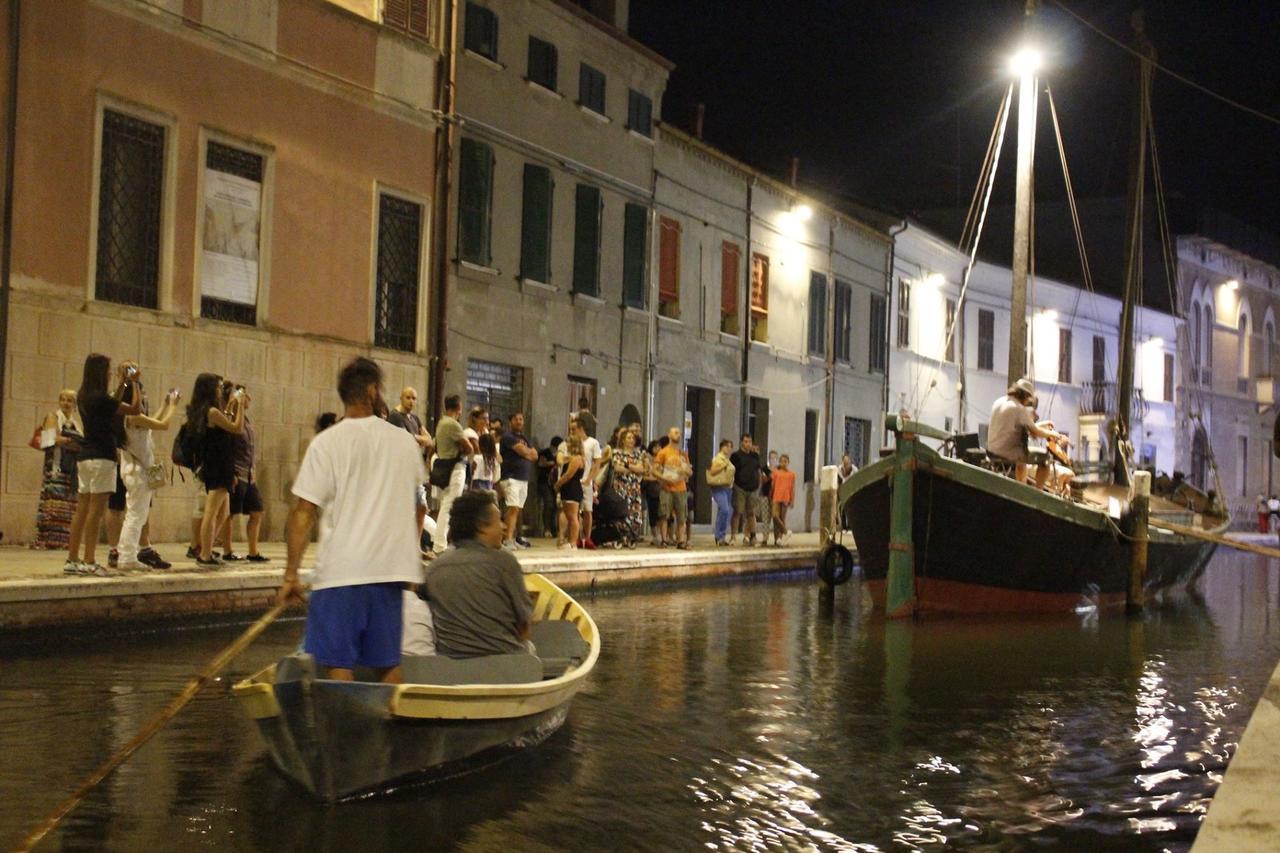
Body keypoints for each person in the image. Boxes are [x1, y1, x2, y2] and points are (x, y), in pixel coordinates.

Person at [277, 357, 427, 683]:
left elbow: (304, 512)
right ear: (372, 390)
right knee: (388, 665)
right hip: (389, 574)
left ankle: (343, 730)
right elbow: (415, 505)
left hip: (341, 572)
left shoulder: (326, 443)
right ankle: (391, 728)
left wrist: (291, 573)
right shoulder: (404, 443)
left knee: (337, 664)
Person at [420, 490, 534, 658]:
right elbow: (524, 625)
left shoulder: (434, 569)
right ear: (482, 527)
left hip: (451, 668)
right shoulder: (504, 562)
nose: (504, 527)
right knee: (529, 647)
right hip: (506, 665)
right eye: (498, 521)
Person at [65, 355, 141, 576]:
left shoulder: (84, 396)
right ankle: (89, 560)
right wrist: (134, 383)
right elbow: (134, 408)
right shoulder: (102, 398)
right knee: (96, 511)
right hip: (103, 457)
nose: (109, 374)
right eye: (108, 370)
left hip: (86, 456)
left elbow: (113, 402)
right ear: (101, 372)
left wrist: (124, 383)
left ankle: (72, 558)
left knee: (82, 508)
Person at [117, 365, 179, 570]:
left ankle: (128, 554)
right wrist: (172, 406)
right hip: (137, 471)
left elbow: (154, 421)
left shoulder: (133, 417)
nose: (142, 401)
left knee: (138, 514)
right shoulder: (132, 417)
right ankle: (126, 556)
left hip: (137, 469)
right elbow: (164, 425)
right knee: (135, 515)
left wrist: (164, 405)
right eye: (140, 397)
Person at [189, 374, 245, 567]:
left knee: (223, 512)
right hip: (219, 465)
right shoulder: (211, 411)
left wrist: (230, 405)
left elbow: (225, 423)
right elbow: (236, 428)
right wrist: (241, 407)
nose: (221, 390)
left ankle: (207, 546)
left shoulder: (207, 410)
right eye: (219, 387)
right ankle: (204, 554)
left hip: (218, 463)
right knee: (211, 512)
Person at [219, 387, 269, 563]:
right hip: (237, 473)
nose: (248, 398)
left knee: (257, 511)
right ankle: (227, 550)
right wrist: (230, 472)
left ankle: (253, 551)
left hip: (249, 475)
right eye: (244, 395)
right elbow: (228, 448)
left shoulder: (245, 419)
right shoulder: (230, 419)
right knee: (230, 514)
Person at [987, 378, 1064, 489]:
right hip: (1007, 453)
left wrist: (1044, 424)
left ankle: (1021, 486)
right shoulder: (1019, 409)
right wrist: (1053, 434)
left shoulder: (1000, 401)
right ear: (1025, 396)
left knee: (1021, 454)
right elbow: (1035, 432)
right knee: (1044, 459)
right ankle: (1037, 492)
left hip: (991, 450)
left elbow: (1028, 426)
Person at [32, 390, 83, 550]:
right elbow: (49, 439)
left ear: (74, 405)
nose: (66, 403)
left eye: (70, 400)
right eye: (63, 400)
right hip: (56, 465)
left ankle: (63, 540)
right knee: (53, 502)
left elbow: (82, 441)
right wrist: (68, 440)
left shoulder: (76, 423)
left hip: (71, 468)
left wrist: (71, 442)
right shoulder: (53, 417)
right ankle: (47, 540)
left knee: (68, 505)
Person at [432, 395, 474, 553]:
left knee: (445, 506)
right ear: (459, 408)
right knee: (448, 507)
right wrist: (463, 448)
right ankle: (439, 545)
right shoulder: (453, 425)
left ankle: (439, 542)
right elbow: (469, 448)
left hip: (443, 467)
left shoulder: (441, 423)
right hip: (455, 468)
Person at [498, 412, 538, 549]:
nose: (520, 421)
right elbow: (525, 452)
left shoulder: (524, 438)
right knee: (512, 507)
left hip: (523, 478)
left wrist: (527, 452)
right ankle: (507, 539)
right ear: (510, 421)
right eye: (516, 419)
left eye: (521, 419)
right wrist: (526, 453)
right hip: (511, 477)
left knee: (518, 509)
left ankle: (513, 537)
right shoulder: (507, 437)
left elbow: (535, 455)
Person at [654, 426, 692, 549]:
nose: (678, 435)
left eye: (680, 433)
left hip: (680, 488)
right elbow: (655, 470)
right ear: (669, 435)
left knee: (682, 516)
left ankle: (681, 540)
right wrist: (663, 480)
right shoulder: (663, 452)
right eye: (676, 433)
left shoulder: (683, 454)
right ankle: (664, 539)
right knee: (664, 514)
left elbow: (689, 472)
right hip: (667, 487)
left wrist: (684, 469)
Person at [611, 428, 647, 545]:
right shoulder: (617, 452)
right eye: (629, 438)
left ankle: (630, 535)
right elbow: (618, 468)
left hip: (634, 487)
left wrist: (626, 464)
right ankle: (619, 535)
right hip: (621, 486)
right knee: (621, 509)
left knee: (633, 510)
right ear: (623, 440)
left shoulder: (638, 454)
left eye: (632, 438)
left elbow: (641, 469)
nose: (631, 440)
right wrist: (633, 468)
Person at [729, 434, 761, 546]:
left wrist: (758, 484)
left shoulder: (755, 456)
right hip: (739, 487)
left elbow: (758, 471)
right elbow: (731, 470)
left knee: (751, 513)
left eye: (750, 441)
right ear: (741, 442)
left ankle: (752, 536)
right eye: (746, 441)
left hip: (752, 488)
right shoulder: (736, 456)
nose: (748, 444)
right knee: (738, 511)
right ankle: (733, 536)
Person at [555, 433, 585, 550]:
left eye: (568, 443)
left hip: (572, 488)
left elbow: (569, 475)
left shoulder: (577, 459)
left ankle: (573, 542)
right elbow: (561, 459)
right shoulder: (573, 457)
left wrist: (558, 484)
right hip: (567, 489)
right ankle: (570, 540)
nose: (566, 445)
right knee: (569, 515)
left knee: (573, 517)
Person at [387, 386, 434, 457]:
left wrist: (413, 436)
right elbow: (406, 441)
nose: (411, 401)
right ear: (401, 398)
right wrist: (420, 440)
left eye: (414, 398)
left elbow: (429, 440)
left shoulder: (415, 418)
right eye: (408, 398)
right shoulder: (395, 416)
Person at [707, 439, 735, 546]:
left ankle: (721, 536)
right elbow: (713, 471)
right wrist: (724, 465)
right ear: (722, 447)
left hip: (728, 487)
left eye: (730, 447)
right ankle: (719, 535)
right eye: (727, 446)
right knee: (725, 509)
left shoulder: (727, 459)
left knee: (727, 511)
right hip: (719, 486)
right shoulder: (718, 459)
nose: (729, 449)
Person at [537, 435, 563, 538]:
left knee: (555, 507)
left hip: (555, 483)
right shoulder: (545, 453)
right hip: (544, 482)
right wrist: (553, 463)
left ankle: (554, 529)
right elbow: (541, 463)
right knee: (548, 504)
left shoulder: (560, 454)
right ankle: (546, 528)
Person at [770, 454, 796, 546]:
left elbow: (792, 488)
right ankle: (785, 531)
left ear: (788, 463)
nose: (783, 463)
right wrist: (770, 495)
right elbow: (772, 485)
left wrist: (792, 500)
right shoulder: (775, 472)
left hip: (785, 497)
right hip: (776, 496)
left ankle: (779, 539)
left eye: (785, 461)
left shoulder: (791, 474)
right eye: (781, 461)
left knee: (782, 518)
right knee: (775, 516)